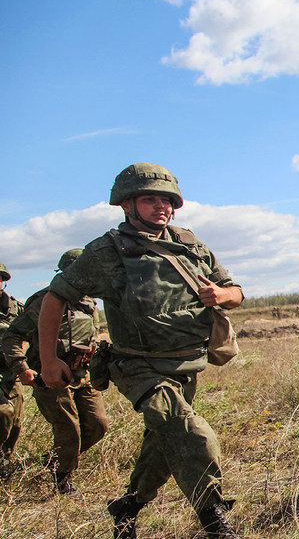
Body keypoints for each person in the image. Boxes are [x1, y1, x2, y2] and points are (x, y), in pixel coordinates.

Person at [39, 163, 242, 538]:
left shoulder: (190, 245)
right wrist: (49, 359)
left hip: (186, 363)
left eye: (166, 200)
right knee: (191, 434)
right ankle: (214, 520)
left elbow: (235, 291)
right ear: (127, 205)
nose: (161, 207)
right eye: (150, 200)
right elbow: (55, 297)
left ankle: (128, 507)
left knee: (163, 447)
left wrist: (222, 294)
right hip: (138, 366)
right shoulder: (108, 251)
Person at [2, 249, 109, 494]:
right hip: (48, 376)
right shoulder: (43, 300)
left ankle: (54, 459)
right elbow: (12, 335)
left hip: (83, 375)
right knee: (68, 428)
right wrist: (22, 369)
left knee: (98, 425)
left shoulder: (89, 302)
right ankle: (62, 478)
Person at [0, 261, 25, 466]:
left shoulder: (16, 309)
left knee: (15, 423)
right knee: (3, 413)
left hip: (11, 371)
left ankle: (5, 460)